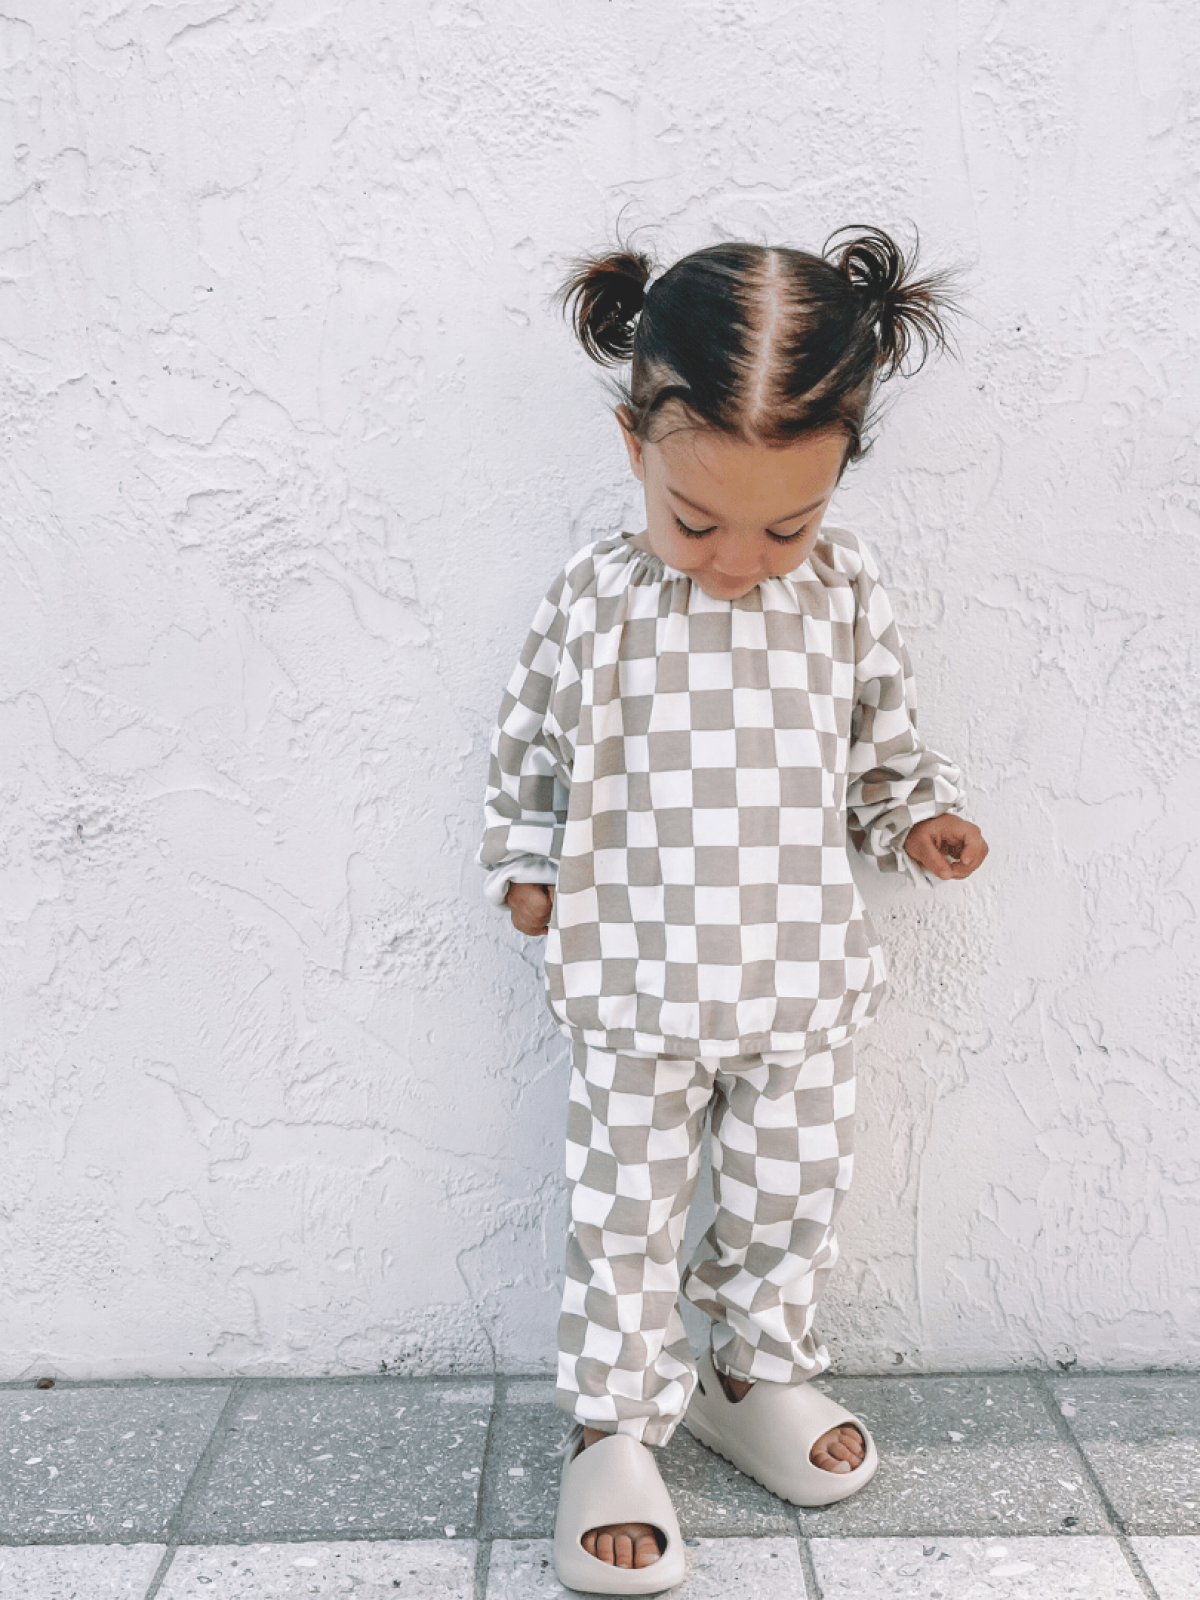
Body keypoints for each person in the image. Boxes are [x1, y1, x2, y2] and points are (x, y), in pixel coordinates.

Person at [478, 226, 989, 1595]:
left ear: (842, 473)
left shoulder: (843, 595)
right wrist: (525, 860)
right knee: (624, 1212)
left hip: (797, 979)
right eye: (696, 520)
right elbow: (531, 749)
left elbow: (883, 753)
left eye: (788, 523)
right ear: (633, 443)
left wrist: (916, 820)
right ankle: (613, 1427)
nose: (738, 559)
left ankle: (753, 1372)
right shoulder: (599, 601)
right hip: (634, 977)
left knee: (785, 1201)